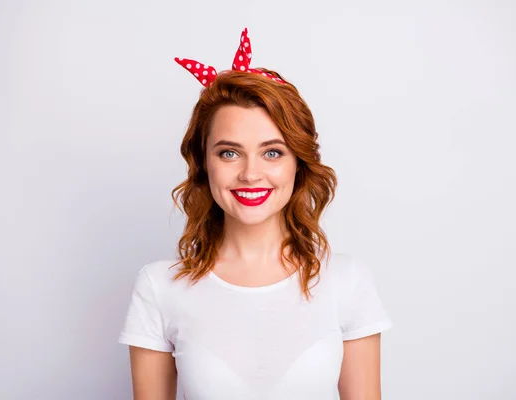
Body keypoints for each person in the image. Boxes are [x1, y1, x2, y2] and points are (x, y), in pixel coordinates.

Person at [118, 28, 393, 400]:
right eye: (229, 153)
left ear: (299, 163)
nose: (250, 173)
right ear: (204, 163)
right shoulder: (159, 287)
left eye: (272, 152)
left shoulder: (348, 282)